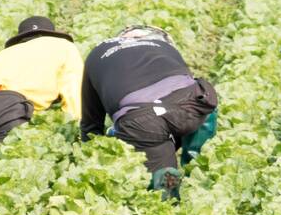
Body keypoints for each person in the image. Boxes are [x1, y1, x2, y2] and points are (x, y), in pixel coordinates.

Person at [80, 26, 217, 194]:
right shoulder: (164, 46)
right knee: (192, 116)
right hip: (197, 103)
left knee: (166, 179)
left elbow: (91, 122)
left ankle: (170, 199)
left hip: (145, 120)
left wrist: (91, 155)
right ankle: (196, 169)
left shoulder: (97, 54)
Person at [0, 16, 83, 155]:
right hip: (5, 110)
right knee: (9, 160)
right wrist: (77, 128)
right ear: (51, 34)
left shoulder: (8, 52)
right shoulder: (64, 46)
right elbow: (74, 91)